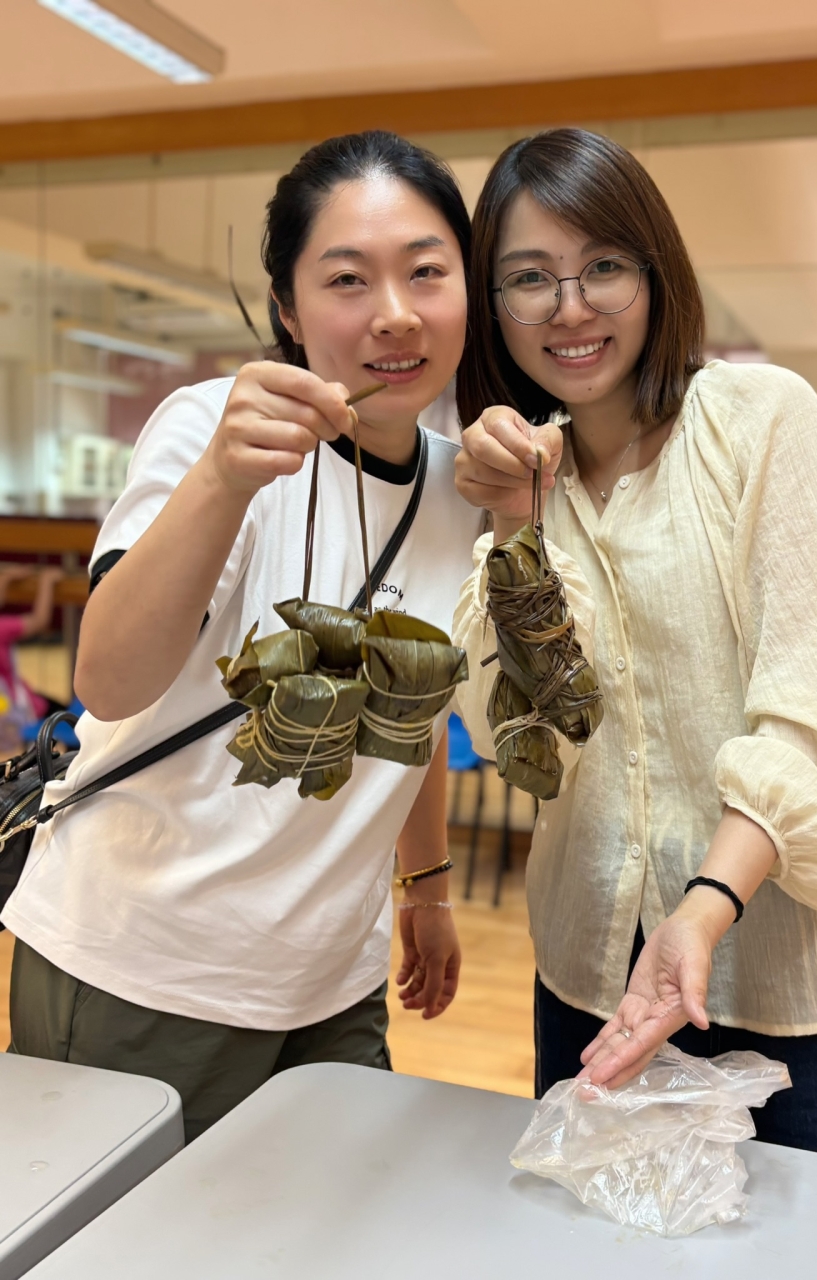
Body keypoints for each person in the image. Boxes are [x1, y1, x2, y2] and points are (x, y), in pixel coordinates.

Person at [452, 128, 817, 1169]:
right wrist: (514, 526)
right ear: (492, 306)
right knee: (593, 1237)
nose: (569, 307)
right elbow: (530, 742)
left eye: (603, 266)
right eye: (529, 278)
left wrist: (705, 907)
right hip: (597, 974)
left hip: (809, 982)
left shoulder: (763, 421)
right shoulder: (516, 481)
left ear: (656, 271)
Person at [3, 131, 485, 1141]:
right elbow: (110, 679)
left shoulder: (463, 488)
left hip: (333, 981)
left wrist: (429, 885)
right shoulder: (209, 428)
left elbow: (410, 704)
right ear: (288, 310)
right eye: (347, 279)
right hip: (145, 967)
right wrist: (223, 479)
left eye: (425, 271)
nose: (395, 313)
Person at [0, 565, 64, 750]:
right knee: (68, 719)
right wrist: (46, 583)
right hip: (19, 709)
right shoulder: (2, 629)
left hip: (11, 710)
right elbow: (39, 620)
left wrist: (6, 579)